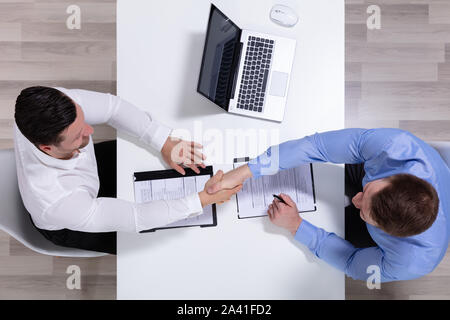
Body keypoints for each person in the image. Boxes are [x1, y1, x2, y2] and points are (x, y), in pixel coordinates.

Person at [14, 86, 241, 255]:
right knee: (161, 244)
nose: (91, 130)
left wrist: (162, 141)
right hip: (71, 219)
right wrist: (201, 199)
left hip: (86, 172)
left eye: (83, 120)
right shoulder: (59, 202)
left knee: (147, 164)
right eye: (78, 135)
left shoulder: (54, 104)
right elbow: (136, 217)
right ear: (46, 147)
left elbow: (113, 108)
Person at [207, 128, 450, 282]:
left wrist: (296, 225)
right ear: (394, 176)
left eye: (364, 212)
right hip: (376, 174)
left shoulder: (411, 261)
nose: (356, 200)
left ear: (386, 232)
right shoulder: (395, 147)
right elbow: (316, 147)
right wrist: (244, 172)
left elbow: (351, 263)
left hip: (382, 238)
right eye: (365, 192)